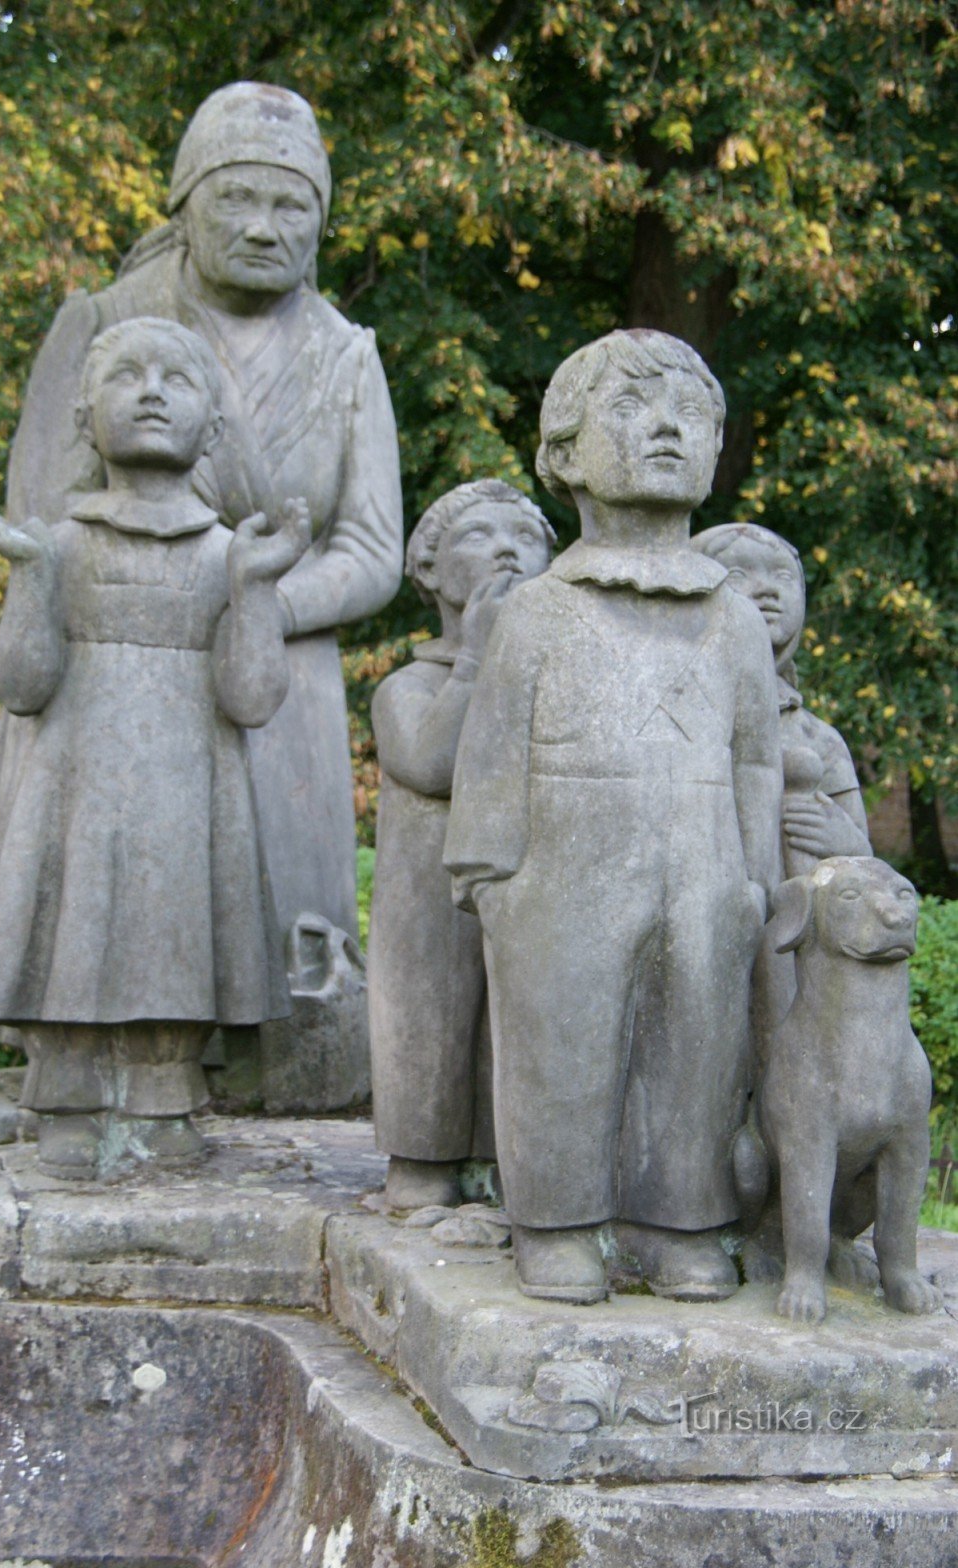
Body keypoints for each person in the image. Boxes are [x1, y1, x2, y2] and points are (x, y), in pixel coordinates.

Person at [1, 83, 403, 1096]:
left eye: (292, 206)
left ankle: (290, 1062)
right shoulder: (106, 324)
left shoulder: (345, 355)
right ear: (186, 205)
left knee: (279, 917)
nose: (264, 227)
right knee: (107, 895)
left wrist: (258, 604)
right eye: (236, 201)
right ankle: (82, 1054)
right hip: (109, 659)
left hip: (276, 669)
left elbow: (370, 545)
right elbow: (44, 511)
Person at [444, 329, 783, 1305]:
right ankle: (557, 1220)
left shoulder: (730, 619)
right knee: (563, 1041)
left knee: (698, 1052)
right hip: (556, 869)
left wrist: (753, 878)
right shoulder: (537, 612)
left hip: (705, 867)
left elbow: (755, 757)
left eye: (691, 412)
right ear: (562, 452)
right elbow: (493, 747)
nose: (668, 426)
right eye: (631, 408)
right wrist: (487, 872)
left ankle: (681, 1222)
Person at [0, 317, 308, 1178]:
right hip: (74, 783)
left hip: (191, 785)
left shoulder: (229, 553)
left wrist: (257, 590)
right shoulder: (59, 545)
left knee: (175, 919)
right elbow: (22, 688)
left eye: (176, 379)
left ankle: (163, 1095)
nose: (151, 392)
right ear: (85, 419)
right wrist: (28, 579)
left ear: (212, 429)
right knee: (71, 921)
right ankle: (70, 1095)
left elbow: (252, 698)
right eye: (127, 376)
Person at [368, 481, 555, 1210]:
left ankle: (510, 1166)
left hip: (522, 877)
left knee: (519, 1020)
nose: (507, 547)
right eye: (477, 534)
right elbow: (433, 763)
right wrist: (477, 660)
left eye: (528, 536)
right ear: (430, 570)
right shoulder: (408, 686)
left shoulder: (556, 682)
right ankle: (422, 1162)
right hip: (427, 891)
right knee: (430, 1018)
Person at [689, 522, 870, 878]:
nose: (768, 589)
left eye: (784, 577)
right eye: (739, 573)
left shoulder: (819, 739)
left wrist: (848, 843)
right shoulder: (677, 717)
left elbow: (868, 867)